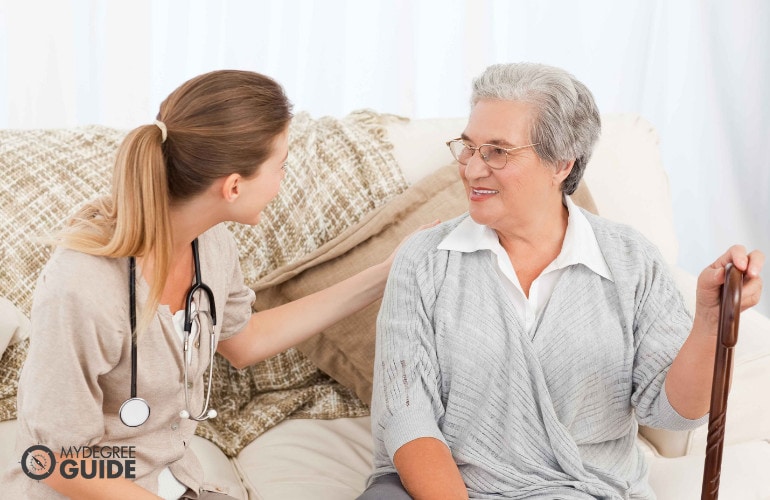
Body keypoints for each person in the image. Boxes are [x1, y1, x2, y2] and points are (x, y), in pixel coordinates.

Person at [3, 70, 428, 499]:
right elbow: (55, 459)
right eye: (280, 167)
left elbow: (242, 341)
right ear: (234, 186)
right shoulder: (82, 287)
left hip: (172, 480)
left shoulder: (210, 244)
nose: (282, 181)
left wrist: (386, 273)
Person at [361, 63, 765, 499]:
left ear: (561, 163)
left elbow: (675, 410)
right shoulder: (423, 260)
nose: (472, 169)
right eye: (469, 146)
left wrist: (708, 321)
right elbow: (406, 415)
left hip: (581, 489)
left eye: (497, 151)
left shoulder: (631, 261)